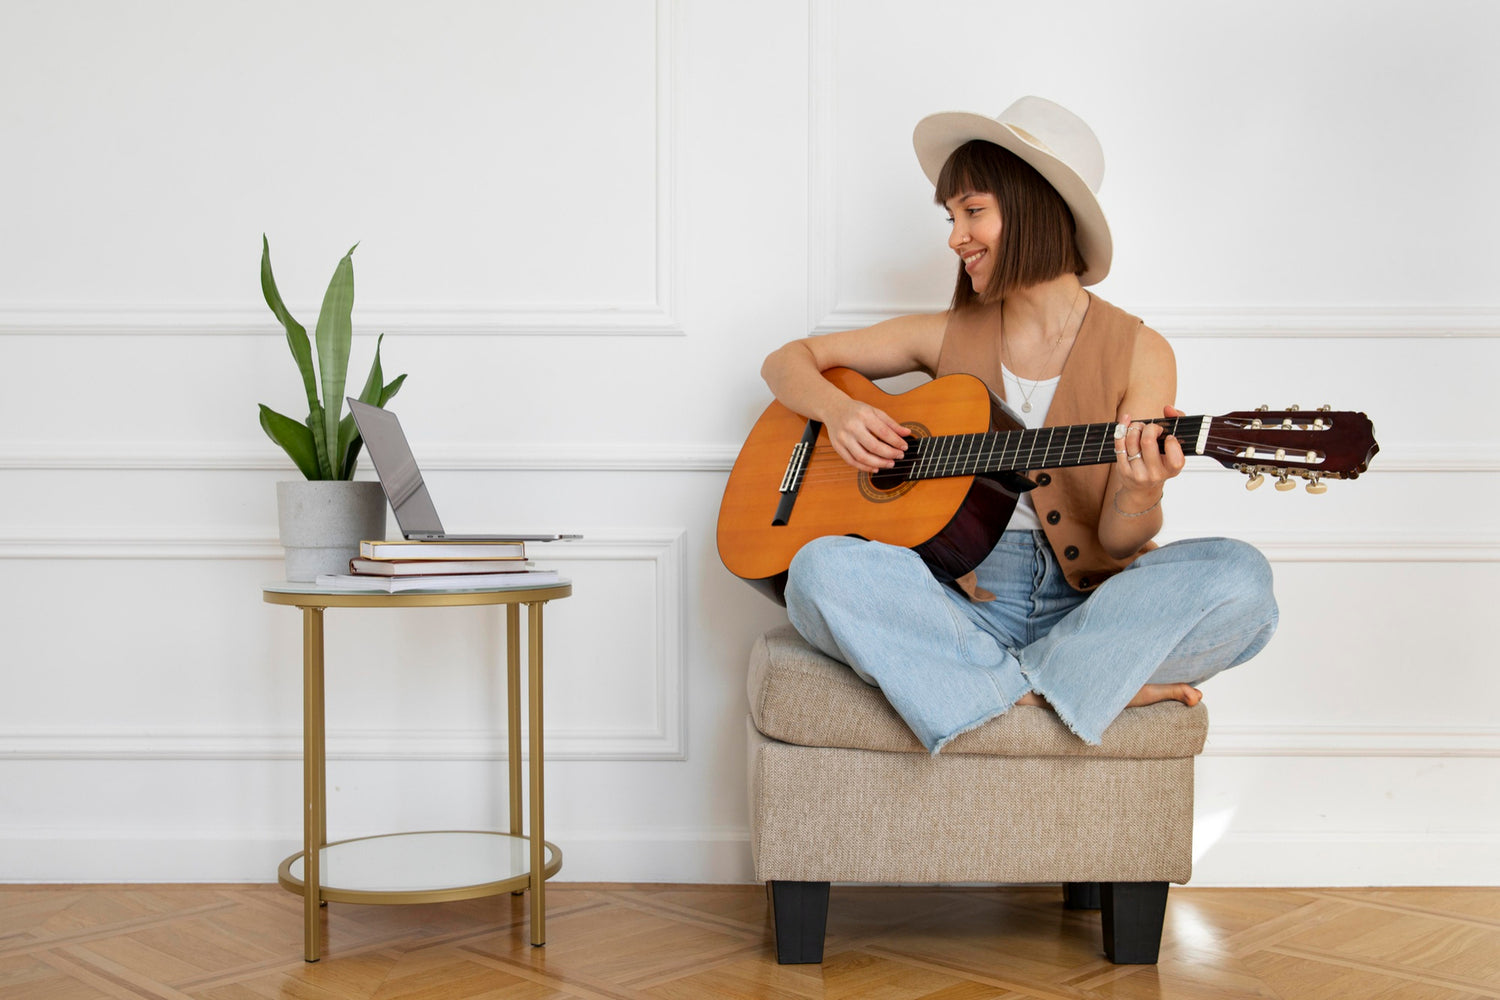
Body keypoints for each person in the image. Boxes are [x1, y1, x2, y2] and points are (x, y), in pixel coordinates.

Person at [760, 96, 1278, 752]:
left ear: (1034, 206)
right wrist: (839, 412)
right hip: (957, 600)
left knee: (1243, 582)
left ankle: (993, 684)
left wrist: (1141, 493)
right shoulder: (944, 332)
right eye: (952, 217)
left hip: (1088, 604)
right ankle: (1066, 686)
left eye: (973, 211)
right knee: (818, 572)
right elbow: (787, 362)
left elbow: (1119, 544)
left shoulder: (1141, 351)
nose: (955, 238)